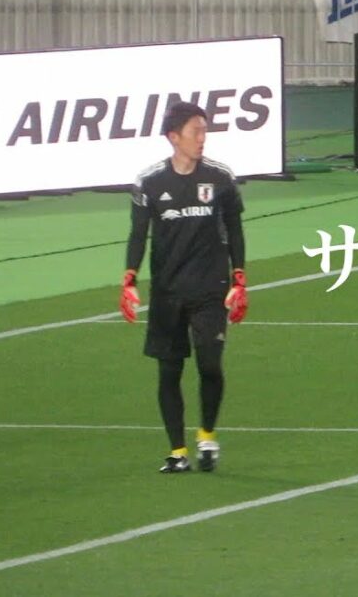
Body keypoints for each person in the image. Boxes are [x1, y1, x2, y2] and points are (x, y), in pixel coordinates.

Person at [119, 101, 248, 474]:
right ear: (174, 137)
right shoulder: (149, 182)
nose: (202, 138)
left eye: (205, 131)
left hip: (211, 289)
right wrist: (129, 278)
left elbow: (235, 229)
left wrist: (240, 277)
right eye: (196, 132)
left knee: (210, 364)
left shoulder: (221, 178)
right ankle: (177, 451)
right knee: (168, 371)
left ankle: (207, 434)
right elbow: (138, 234)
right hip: (167, 292)